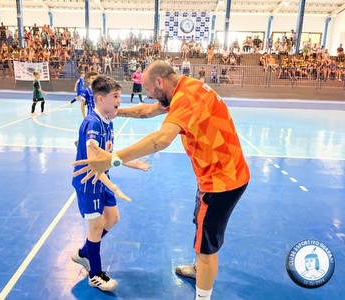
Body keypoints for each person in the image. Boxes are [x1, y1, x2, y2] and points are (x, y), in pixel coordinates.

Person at [72, 60, 250, 300]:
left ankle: (202, 295)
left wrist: (112, 159)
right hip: (219, 174)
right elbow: (148, 111)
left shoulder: (185, 100)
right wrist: (113, 112)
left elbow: (161, 139)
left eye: (148, 89)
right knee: (201, 228)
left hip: (221, 182)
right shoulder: (186, 88)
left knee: (206, 248)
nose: (146, 94)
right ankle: (199, 269)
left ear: (159, 82)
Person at [71, 75, 151, 291]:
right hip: (90, 182)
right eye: (115, 96)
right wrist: (114, 186)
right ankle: (95, 274)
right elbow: (94, 163)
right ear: (99, 99)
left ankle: (85, 252)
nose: (119, 101)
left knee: (113, 218)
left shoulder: (108, 122)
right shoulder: (92, 124)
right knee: (96, 226)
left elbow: (109, 156)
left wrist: (132, 163)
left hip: (103, 180)